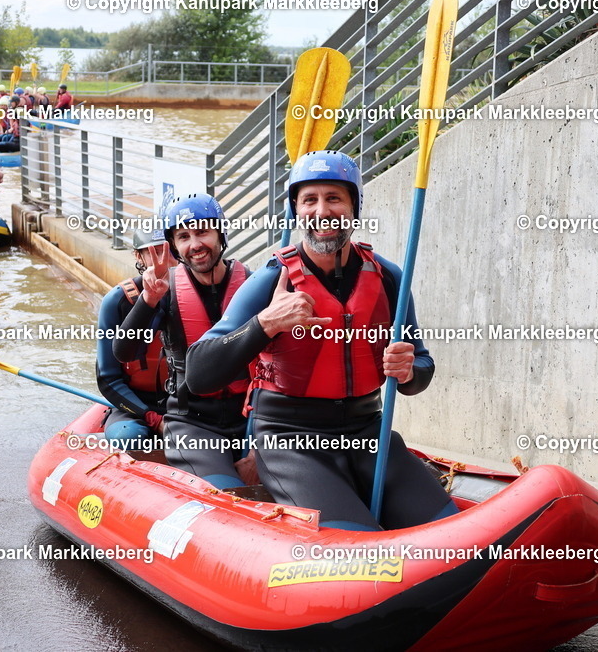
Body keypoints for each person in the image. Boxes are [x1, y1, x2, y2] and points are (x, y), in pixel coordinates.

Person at [185, 151, 457, 531]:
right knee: (358, 549)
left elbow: (422, 368)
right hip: (290, 440)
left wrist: (410, 371)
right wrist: (266, 322)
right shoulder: (271, 280)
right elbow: (198, 373)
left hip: (367, 434)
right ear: (296, 210)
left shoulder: (390, 278)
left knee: (450, 529)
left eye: (334, 198)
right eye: (309, 200)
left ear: (353, 207)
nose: (321, 210)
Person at [113, 194, 252, 489]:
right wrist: (149, 299)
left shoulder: (253, 283)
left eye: (203, 232)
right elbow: (123, 351)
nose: (195, 245)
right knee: (226, 491)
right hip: (193, 423)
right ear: (175, 246)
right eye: (183, 237)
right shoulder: (166, 291)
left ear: (220, 233)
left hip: (251, 420)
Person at [95, 226, 172, 451]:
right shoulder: (117, 302)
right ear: (139, 256)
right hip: (135, 405)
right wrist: (152, 417)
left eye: (168, 251)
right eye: (154, 252)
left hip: (185, 404)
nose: (163, 260)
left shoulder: (194, 295)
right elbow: (108, 379)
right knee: (129, 437)